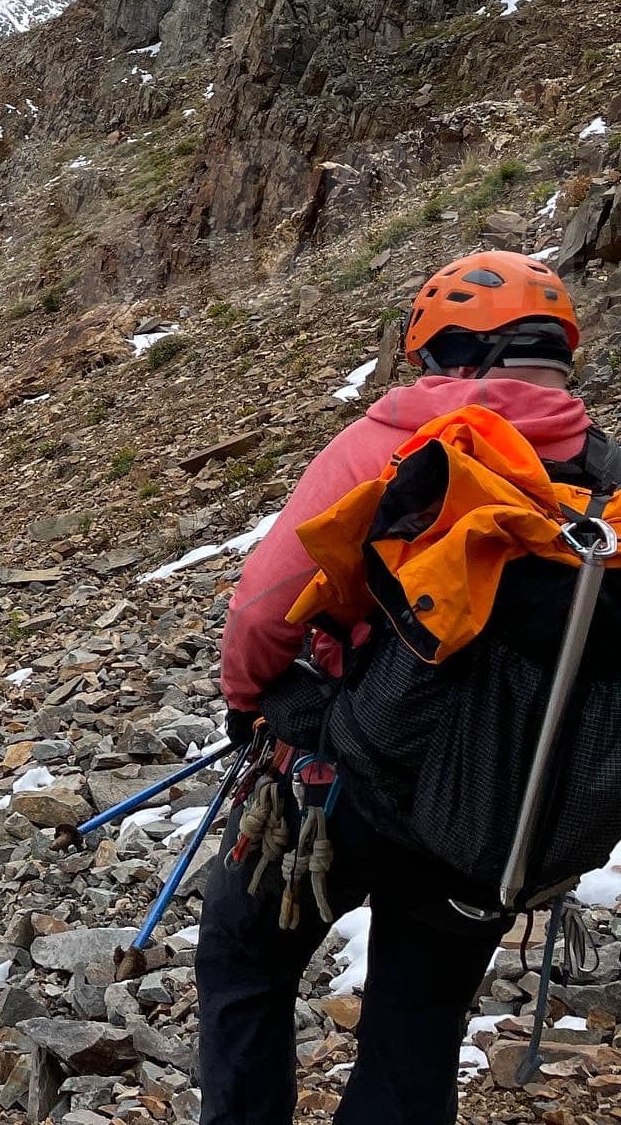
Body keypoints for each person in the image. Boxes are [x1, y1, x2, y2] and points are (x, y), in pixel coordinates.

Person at [195, 251, 604, 1125]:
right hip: (498, 821)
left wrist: (246, 703)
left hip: (355, 782)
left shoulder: (399, 442)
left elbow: (267, 604)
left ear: (453, 352)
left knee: (244, 960)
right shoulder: (601, 484)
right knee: (415, 1031)